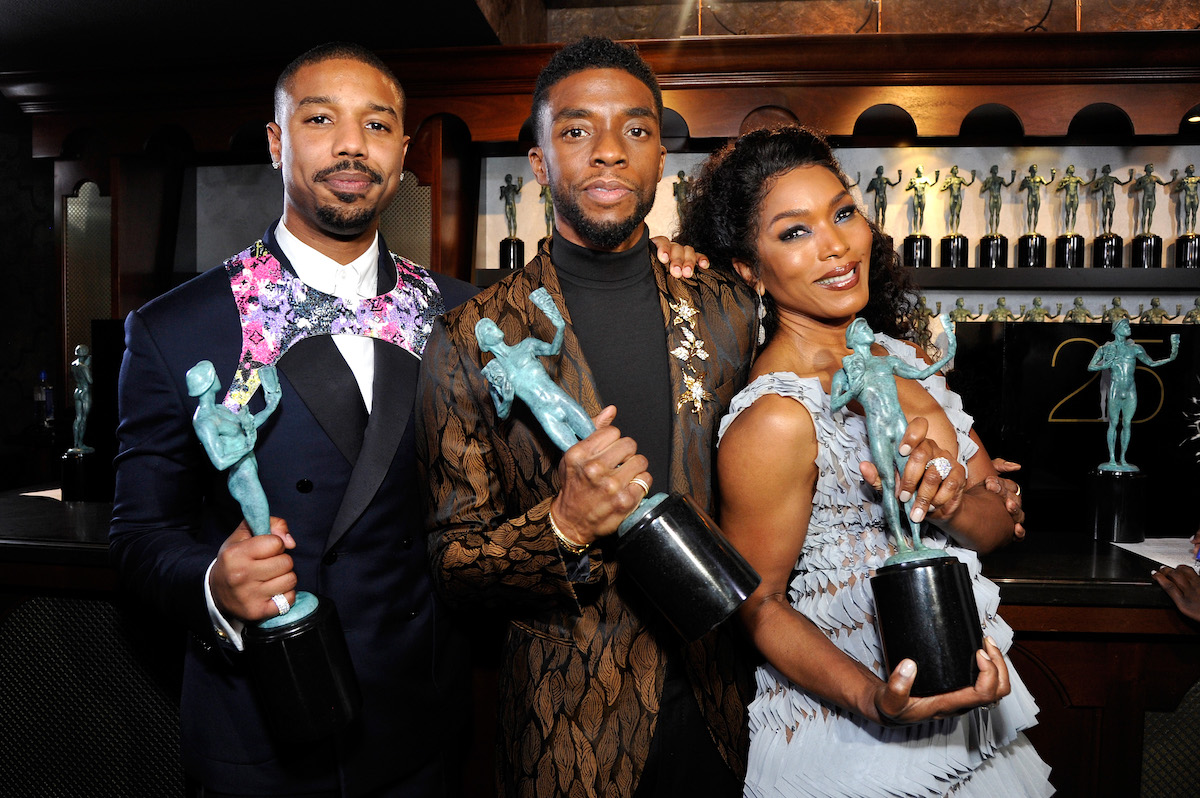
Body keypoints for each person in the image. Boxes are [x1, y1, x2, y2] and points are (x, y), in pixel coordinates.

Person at [109, 42, 481, 797]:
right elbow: (139, 537)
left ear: (403, 153)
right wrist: (213, 581)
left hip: (423, 735)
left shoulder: (463, 314)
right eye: (320, 119)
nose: (352, 144)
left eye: (377, 125)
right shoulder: (175, 328)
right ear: (277, 142)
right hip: (261, 730)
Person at [417, 37, 760, 798]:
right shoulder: (471, 338)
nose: (609, 152)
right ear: (538, 162)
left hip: (723, 710)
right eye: (576, 131)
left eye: (636, 130)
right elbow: (453, 563)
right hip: (566, 731)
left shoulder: (728, 308)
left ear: (660, 158)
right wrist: (564, 526)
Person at [680, 126, 1051, 797]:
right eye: (795, 232)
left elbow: (999, 528)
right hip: (847, 738)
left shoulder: (905, 361)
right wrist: (874, 697)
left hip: (971, 714)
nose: (836, 244)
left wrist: (954, 503)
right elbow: (757, 603)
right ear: (746, 266)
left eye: (843, 212)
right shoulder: (777, 417)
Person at [1087, 318, 1179, 472]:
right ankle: (1111, 458)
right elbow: (1090, 367)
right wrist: (1106, 364)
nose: (1128, 327)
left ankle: (1123, 458)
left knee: (1127, 423)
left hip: (1130, 390)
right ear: (1116, 329)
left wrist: (1172, 356)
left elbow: (1151, 363)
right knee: (1114, 423)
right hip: (1116, 389)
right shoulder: (1105, 348)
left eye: (1128, 325)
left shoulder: (1135, 348)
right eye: (1124, 325)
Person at [1091, 164, 1134, 236]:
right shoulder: (1100, 180)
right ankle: (1104, 231)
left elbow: (1122, 184)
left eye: (1109, 168)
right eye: (1108, 168)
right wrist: (1099, 187)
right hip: (1105, 198)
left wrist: (1131, 177)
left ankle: (1109, 230)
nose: (1109, 169)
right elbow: (1092, 190)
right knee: (1104, 214)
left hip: (1111, 198)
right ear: (1105, 170)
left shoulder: (1113, 179)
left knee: (1111, 214)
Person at [1131, 163, 1169, 236]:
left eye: (1152, 167)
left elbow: (1163, 184)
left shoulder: (1155, 178)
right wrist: (1143, 185)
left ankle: (1148, 230)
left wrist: (1173, 179)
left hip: (1152, 197)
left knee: (1151, 214)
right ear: (1147, 169)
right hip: (1146, 197)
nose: (1152, 168)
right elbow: (1135, 188)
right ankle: (1143, 231)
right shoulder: (1142, 179)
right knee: (1144, 214)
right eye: (1150, 167)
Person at [69, 343, 94, 453]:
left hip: (77, 390)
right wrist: (88, 367)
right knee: (83, 419)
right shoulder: (83, 367)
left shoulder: (73, 364)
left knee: (77, 418)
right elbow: (90, 381)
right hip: (85, 391)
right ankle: (80, 443)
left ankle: (76, 443)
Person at [1018, 164, 1055, 235]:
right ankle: (1029, 230)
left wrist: (1053, 176)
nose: (1036, 169)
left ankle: (1034, 230)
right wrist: (1026, 185)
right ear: (1031, 169)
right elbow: (1020, 188)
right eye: (1034, 168)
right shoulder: (1027, 179)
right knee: (1029, 213)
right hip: (1030, 196)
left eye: (1036, 168)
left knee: (1036, 213)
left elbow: (1046, 183)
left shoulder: (1039, 178)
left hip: (1037, 196)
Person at [979, 165, 1016, 237]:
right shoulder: (988, 180)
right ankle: (991, 231)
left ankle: (996, 230)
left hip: (998, 197)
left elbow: (1006, 185)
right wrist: (988, 186)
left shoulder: (1000, 179)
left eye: (997, 169)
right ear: (992, 170)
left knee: (997, 214)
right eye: (995, 169)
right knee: (991, 214)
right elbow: (982, 191)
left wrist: (1012, 179)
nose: (996, 170)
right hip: (992, 197)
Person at [1055, 165, 1092, 236]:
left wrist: (1092, 178)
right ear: (1068, 170)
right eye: (1072, 168)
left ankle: (1072, 229)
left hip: (1075, 197)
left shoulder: (1077, 179)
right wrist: (1064, 184)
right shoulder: (1065, 179)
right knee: (1068, 213)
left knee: (1074, 213)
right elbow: (1058, 189)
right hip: (1068, 196)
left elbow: (1084, 184)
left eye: (1073, 168)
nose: (1073, 169)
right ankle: (1066, 230)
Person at [940, 165, 975, 236]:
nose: (957, 170)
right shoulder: (949, 179)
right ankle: (952, 230)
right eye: (955, 169)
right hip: (952, 197)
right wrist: (949, 184)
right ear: (952, 171)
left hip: (958, 197)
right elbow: (942, 188)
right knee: (952, 214)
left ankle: (956, 230)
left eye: (957, 169)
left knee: (958, 214)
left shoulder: (960, 179)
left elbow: (967, 184)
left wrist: (973, 178)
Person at [904, 165, 939, 233]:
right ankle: (914, 230)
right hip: (916, 196)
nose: (921, 170)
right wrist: (912, 185)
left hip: (922, 196)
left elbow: (931, 184)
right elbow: (907, 188)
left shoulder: (925, 179)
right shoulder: (913, 179)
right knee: (915, 213)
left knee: (921, 213)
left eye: (922, 168)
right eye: (919, 168)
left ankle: (920, 230)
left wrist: (937, 177)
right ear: (917, 170)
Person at [1171, 164, 1199, 234]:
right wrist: (1183, 186)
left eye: (1193, 168)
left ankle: (1193, 230)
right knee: (1187, 214)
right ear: (1187, 170)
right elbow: (1176, 190)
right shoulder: (1184, 180)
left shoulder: (1197, 178)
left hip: (1195, 196)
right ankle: (1187, 230)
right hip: (1188, 197)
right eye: (1191, 168)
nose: (1193, 169)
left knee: (1194, 214)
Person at [500, 173, 524, 240]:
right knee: (509, 220)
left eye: (509, 179)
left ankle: (514, 234)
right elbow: (501, 197)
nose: (509, 180)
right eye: (508, 179)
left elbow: (517, 192)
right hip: (507, 204)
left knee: (513, 219)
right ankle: (510, 234)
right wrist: (502, 191)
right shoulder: (504, 188)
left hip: (512, 204)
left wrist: (520, 185)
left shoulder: (513, 187)